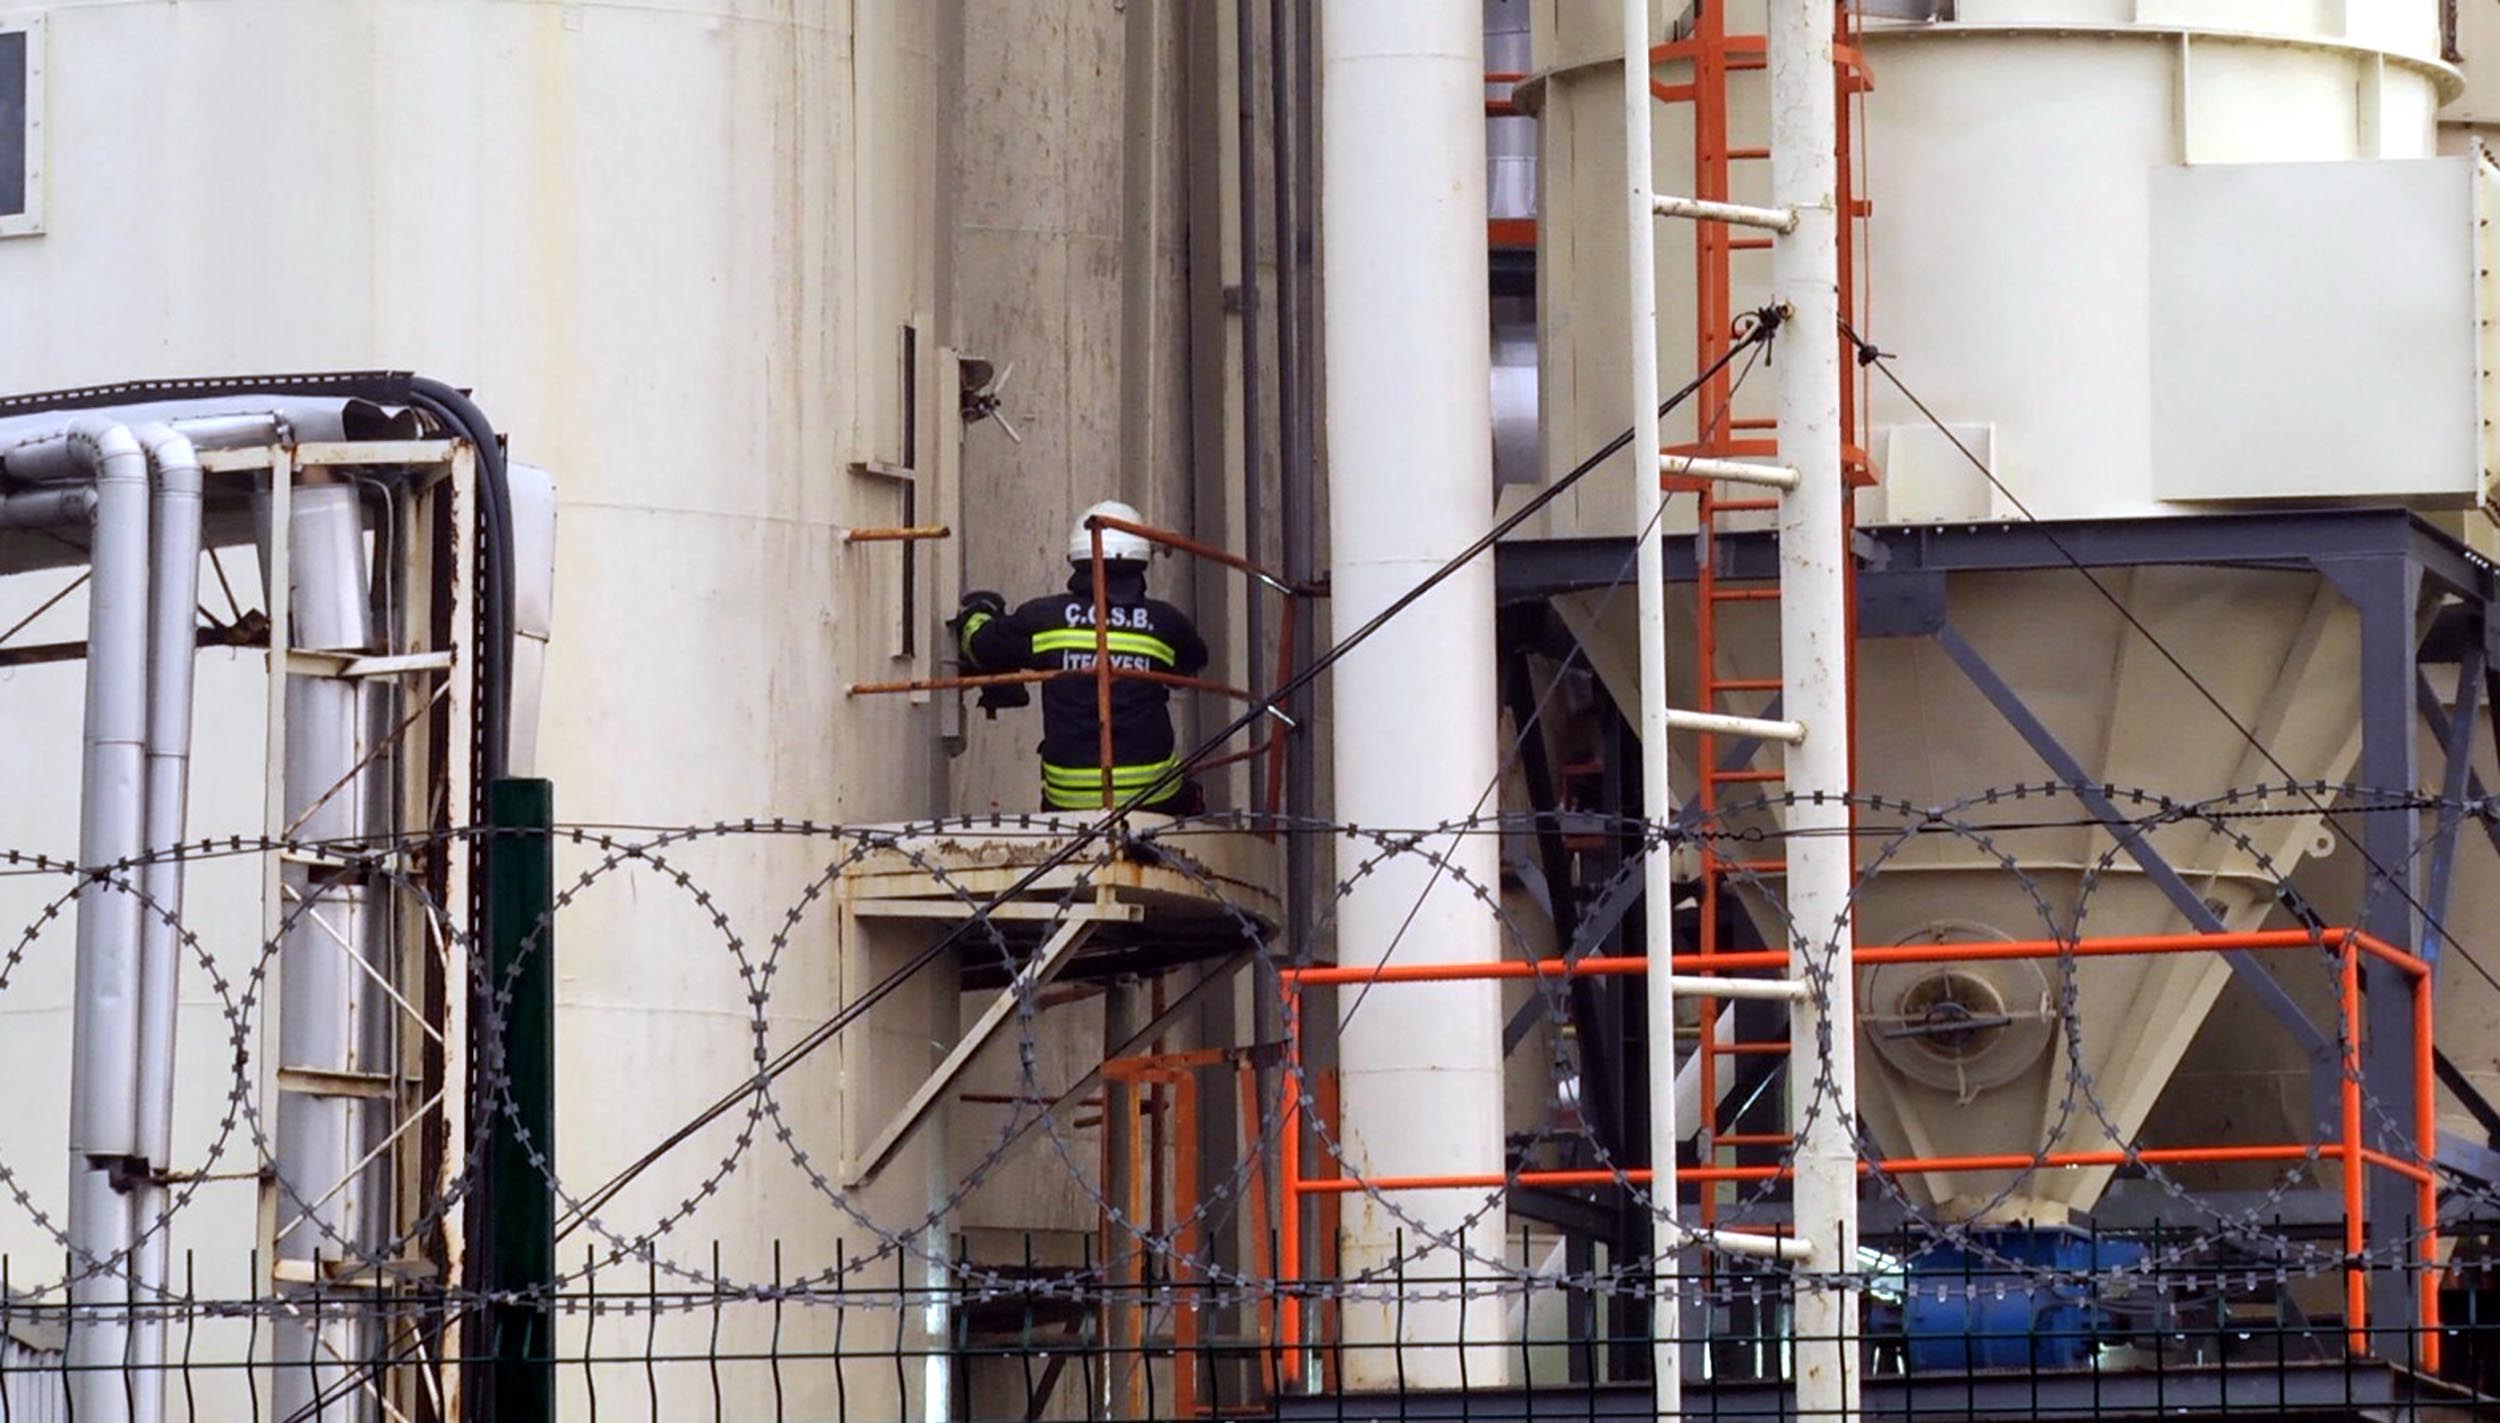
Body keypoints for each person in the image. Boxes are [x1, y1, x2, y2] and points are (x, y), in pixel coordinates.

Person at [954, 500, 1211, 813]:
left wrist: (980, 610)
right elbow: (1191, 665)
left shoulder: (1043, 617)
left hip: (1068, 799)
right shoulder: (1166, 622)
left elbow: (981, 646)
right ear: (1141, 561)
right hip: (1155, 797)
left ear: (1076, 559)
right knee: (1190, 797)